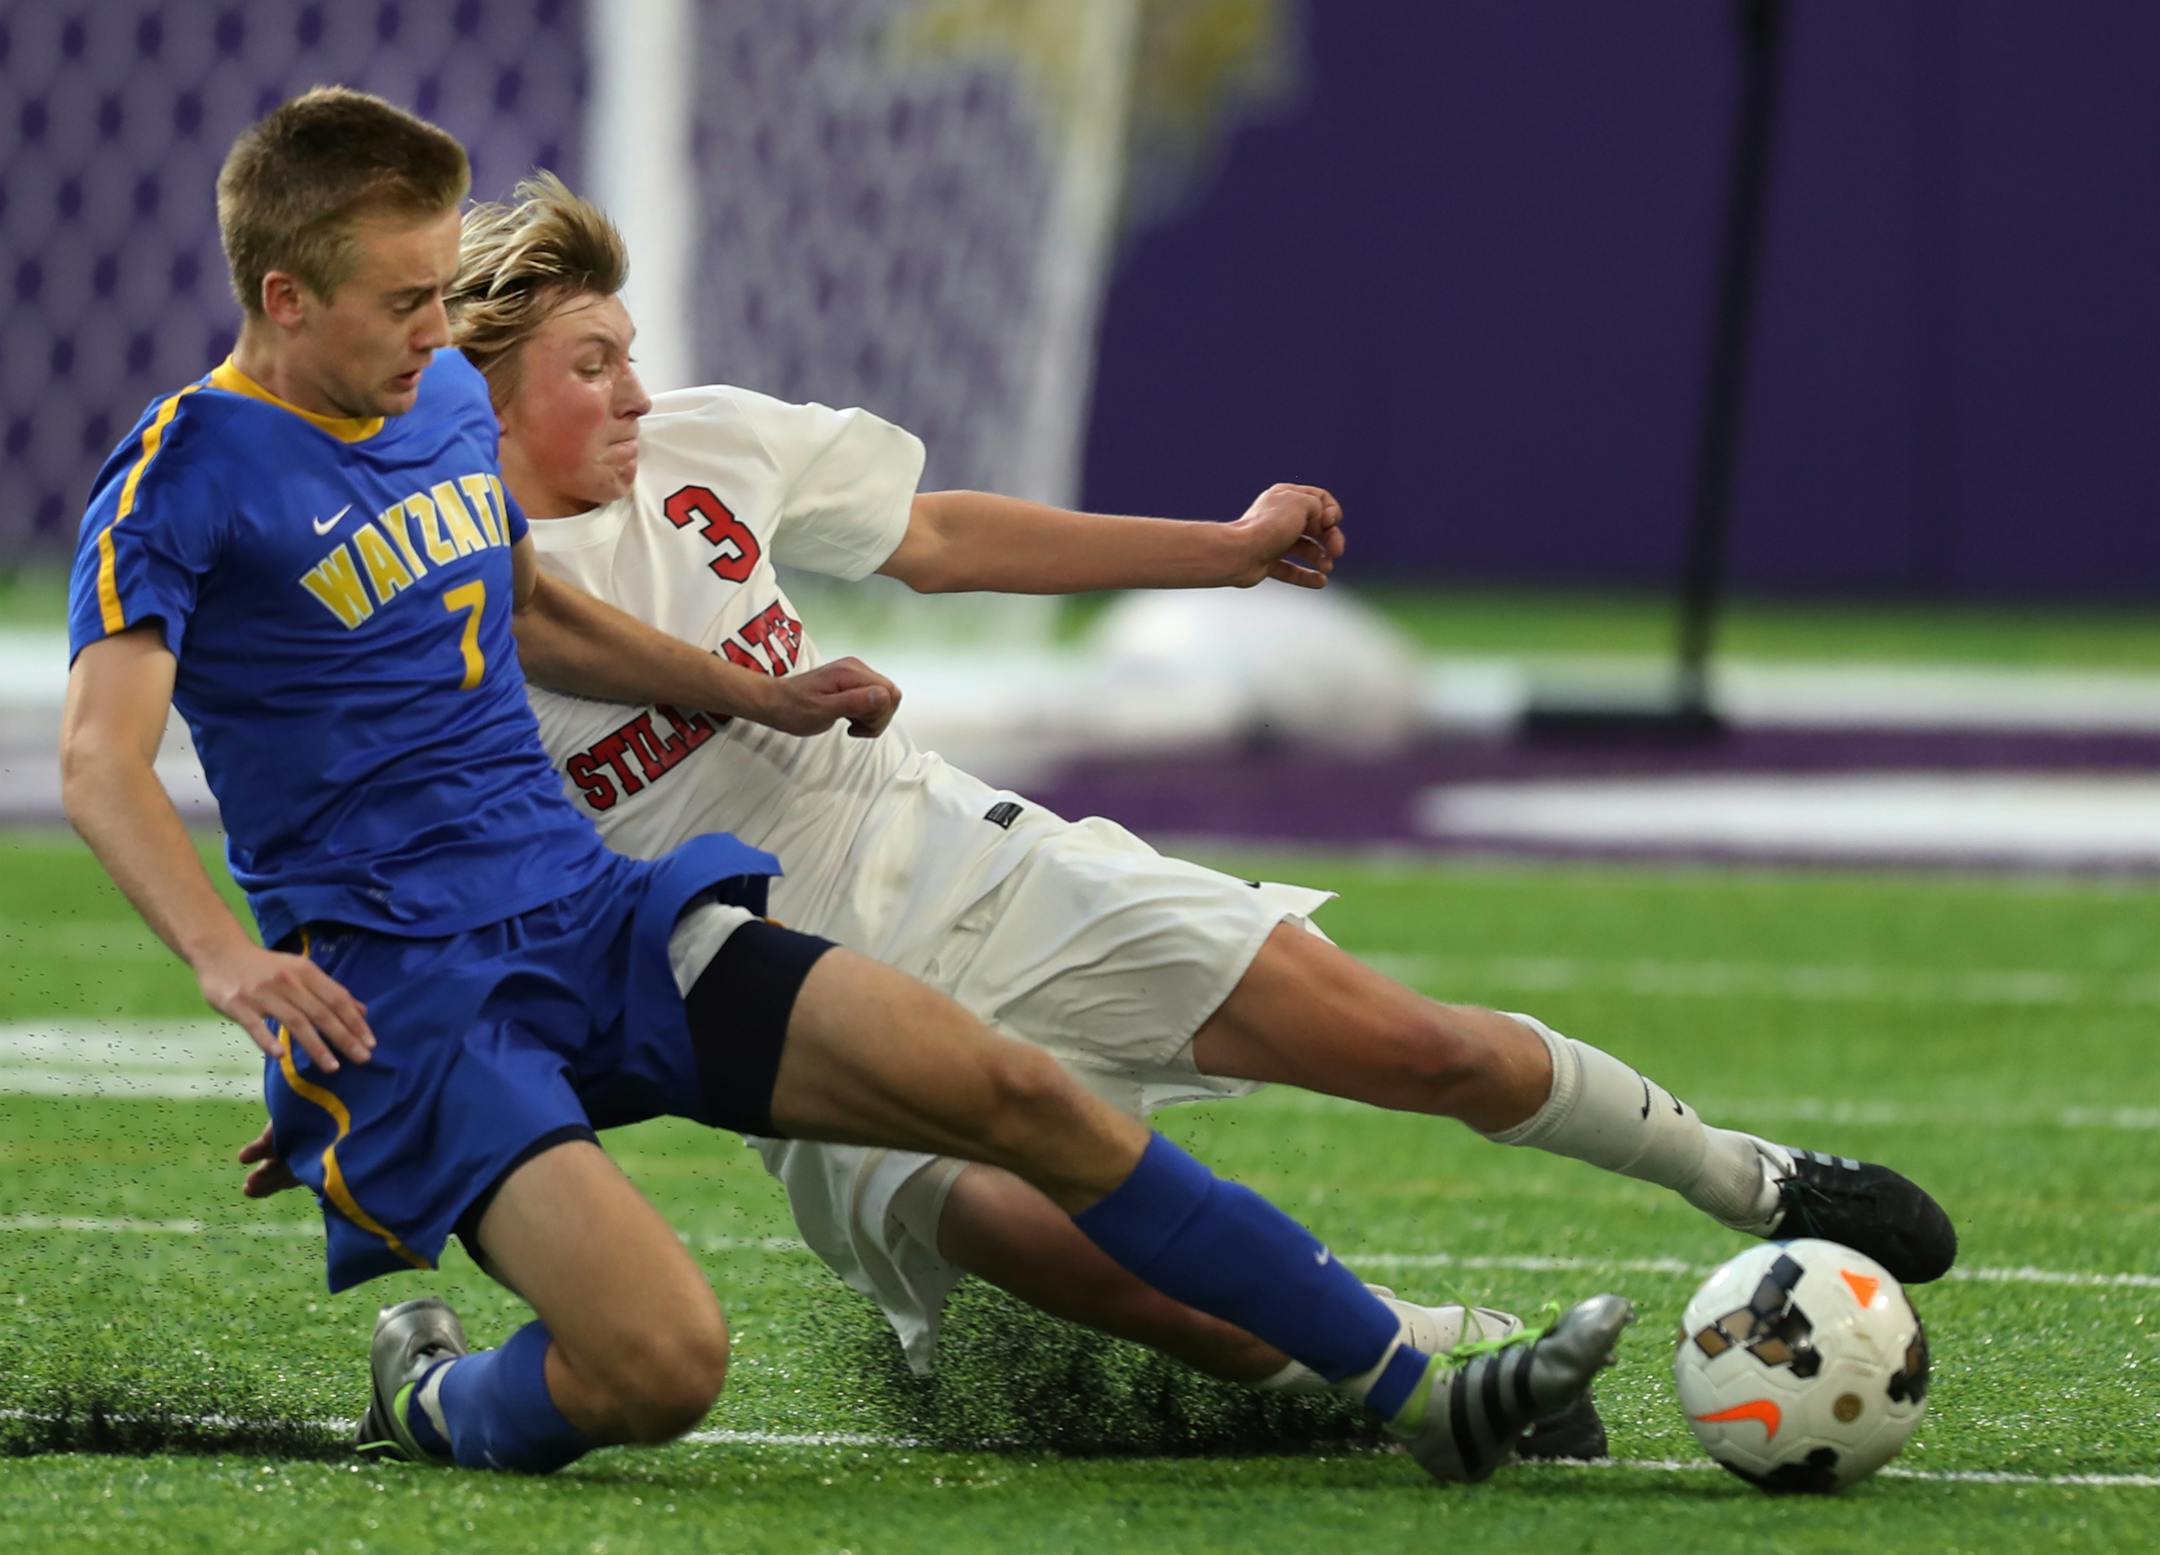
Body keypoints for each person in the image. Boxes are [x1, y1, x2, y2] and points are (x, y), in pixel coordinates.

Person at [63, 87, 1629, 1489]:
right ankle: (435, 1400)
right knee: (666, 1366)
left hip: (598, 915)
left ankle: (1423, 1394)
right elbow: (99, 759)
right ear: (285, 294)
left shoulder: (439, 408)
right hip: (415, 995)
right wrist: (237, 966)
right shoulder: (178, 483)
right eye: (403, 300)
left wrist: (757, 692)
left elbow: (529, 606)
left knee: (1019, 1098)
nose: (434, 330)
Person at [266, 174, 1954, 1414]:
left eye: (633, 354)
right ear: (481, 384)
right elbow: (440, 781)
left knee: (1410, 1043)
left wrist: (1218, 552)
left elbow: (937, 539)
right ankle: (1441, 1368)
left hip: (948, 858)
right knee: (1102, 1263)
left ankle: (1753, 1181)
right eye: (590, 365)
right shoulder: (425, 569)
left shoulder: (714, 446)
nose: (634, 393)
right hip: (772, 1007)